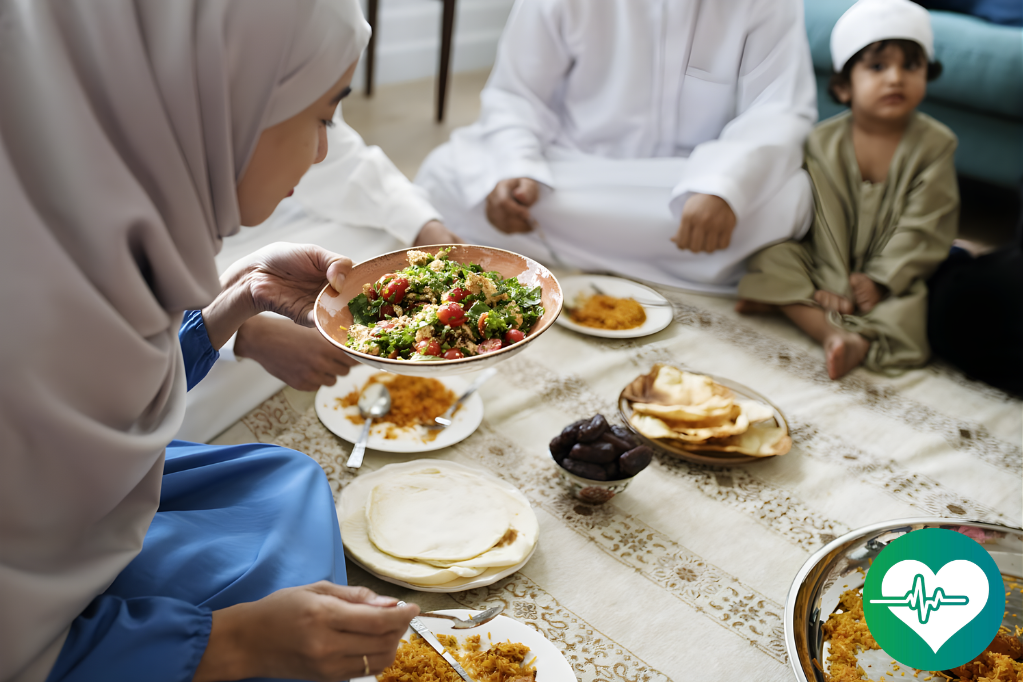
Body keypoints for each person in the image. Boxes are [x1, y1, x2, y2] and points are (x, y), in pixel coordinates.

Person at [0, 2, 419, 681]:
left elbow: (120, 384)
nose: (321, 151)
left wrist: (231, 306)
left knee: (283, 479)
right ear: (218, 97)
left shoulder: (81, 216)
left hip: (67, 532)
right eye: (321, 116)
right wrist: (231, 643)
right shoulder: (31, 329)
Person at [414, 0, 819, 293]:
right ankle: (675, 259)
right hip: (576, 165)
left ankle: (559, 244)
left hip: (688, 184)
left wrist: (725, 185)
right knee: (445, 173)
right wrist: (516, 168)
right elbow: (518, 95)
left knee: (790, 199)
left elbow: (780, 109)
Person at [178, 119, 462, 443]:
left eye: (327, 120)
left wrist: (425, 227)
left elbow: (341, 159)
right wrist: (244, 332)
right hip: (183, 280)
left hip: (266, 223)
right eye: (319, 121)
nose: (321, 150)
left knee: (388, 253)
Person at [735, 0, 959, 380]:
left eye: (910, 66)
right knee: (770, 258)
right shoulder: (822, 142)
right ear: (843, 87)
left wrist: (880, 280)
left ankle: (811, 314)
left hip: (890, 277)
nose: (895, 78)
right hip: (826, 260)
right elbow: (823, 219)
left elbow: (926, 225)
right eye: (877, 66)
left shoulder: (936, 145)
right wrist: (834, 282)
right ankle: (834, 334)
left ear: (927, 74)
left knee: (910, 317)